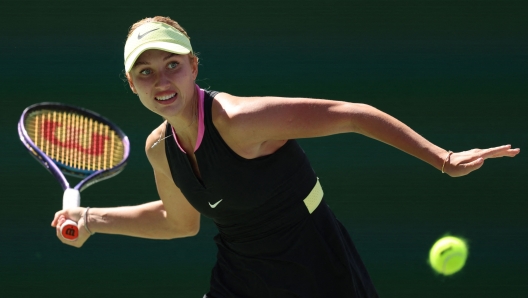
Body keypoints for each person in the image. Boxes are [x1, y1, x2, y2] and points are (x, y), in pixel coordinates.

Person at [51, 16, 520, 297]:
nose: (161, 81)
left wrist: (443, 158)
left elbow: (353, 115)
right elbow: (180, 221)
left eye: (173, 64)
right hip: (240, 277)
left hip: (319, 267)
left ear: (194, 65)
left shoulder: (240, 120)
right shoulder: (160, 149)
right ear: (132, 84)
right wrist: (92, 218)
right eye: (146, 72)